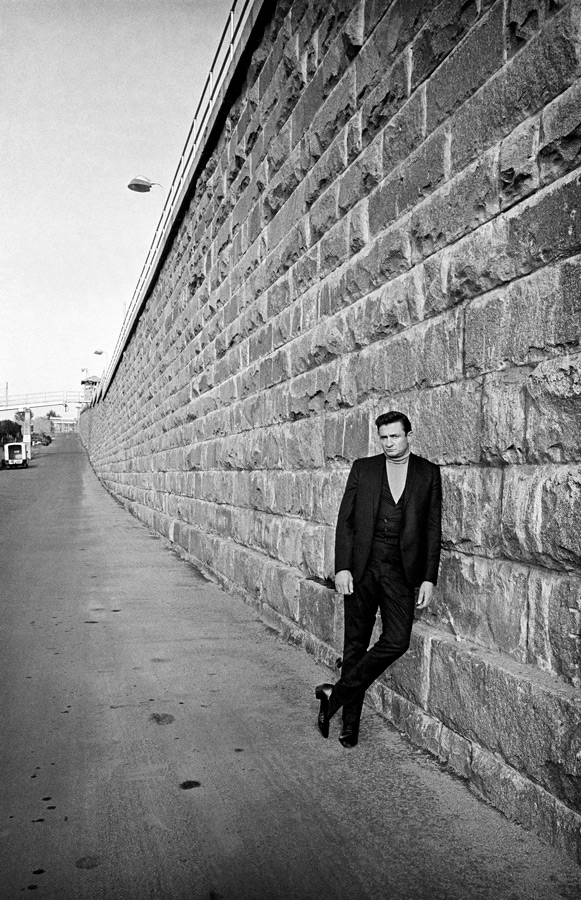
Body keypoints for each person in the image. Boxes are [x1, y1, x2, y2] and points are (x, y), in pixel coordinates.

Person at [316, 410, 441, 747]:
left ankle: (335, 694)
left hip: (401, 572)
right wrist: (342, 567)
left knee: (397, 640)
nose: (388, 443)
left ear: (409, 435)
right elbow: (346, 520)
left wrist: (429, 578)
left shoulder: (428, 473)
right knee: (354, 645)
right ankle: (350, 725)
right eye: (383, 437)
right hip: (362, 568)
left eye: (394, 437)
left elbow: (432, 528)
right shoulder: (364, 469)